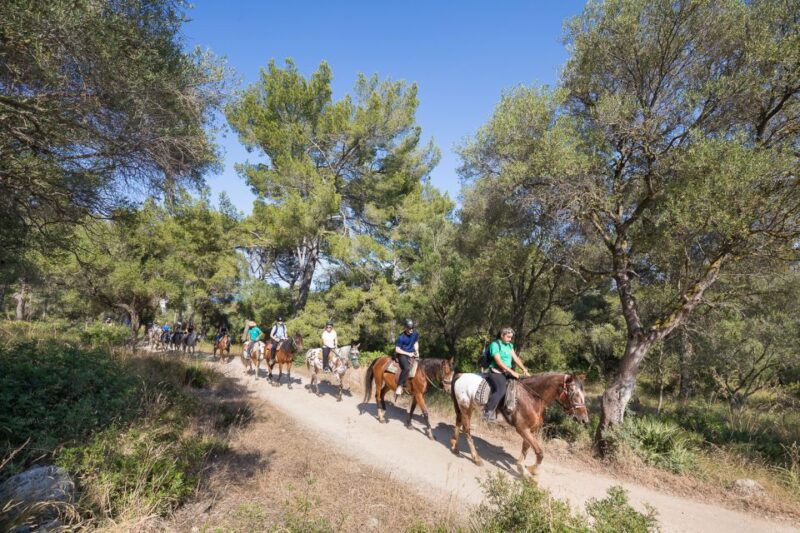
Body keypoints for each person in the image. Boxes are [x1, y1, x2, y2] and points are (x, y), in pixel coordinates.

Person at [483, 327, 530, 422]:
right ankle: (487, 412)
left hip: (506, 371)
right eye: (508, 337)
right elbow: (499, 362)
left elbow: (516, 359)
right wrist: (512, 372)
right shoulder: (495, 345)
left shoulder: (509, 346)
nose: (510, 339)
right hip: (496, 371)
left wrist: (524, 370)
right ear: (502, 335)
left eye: (511, 337)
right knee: (501, 390)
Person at [394, 318, 419, 398]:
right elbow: (397, 349)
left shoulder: (415, 334)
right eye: (409, 328)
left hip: (412, 353)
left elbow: (415, 342)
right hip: (402, 354)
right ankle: (400, 386)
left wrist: (417, 351)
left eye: (412, 328)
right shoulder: (401, 337)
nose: (411, 330)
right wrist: (408, 353)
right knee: (407, 368)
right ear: (405, 328)